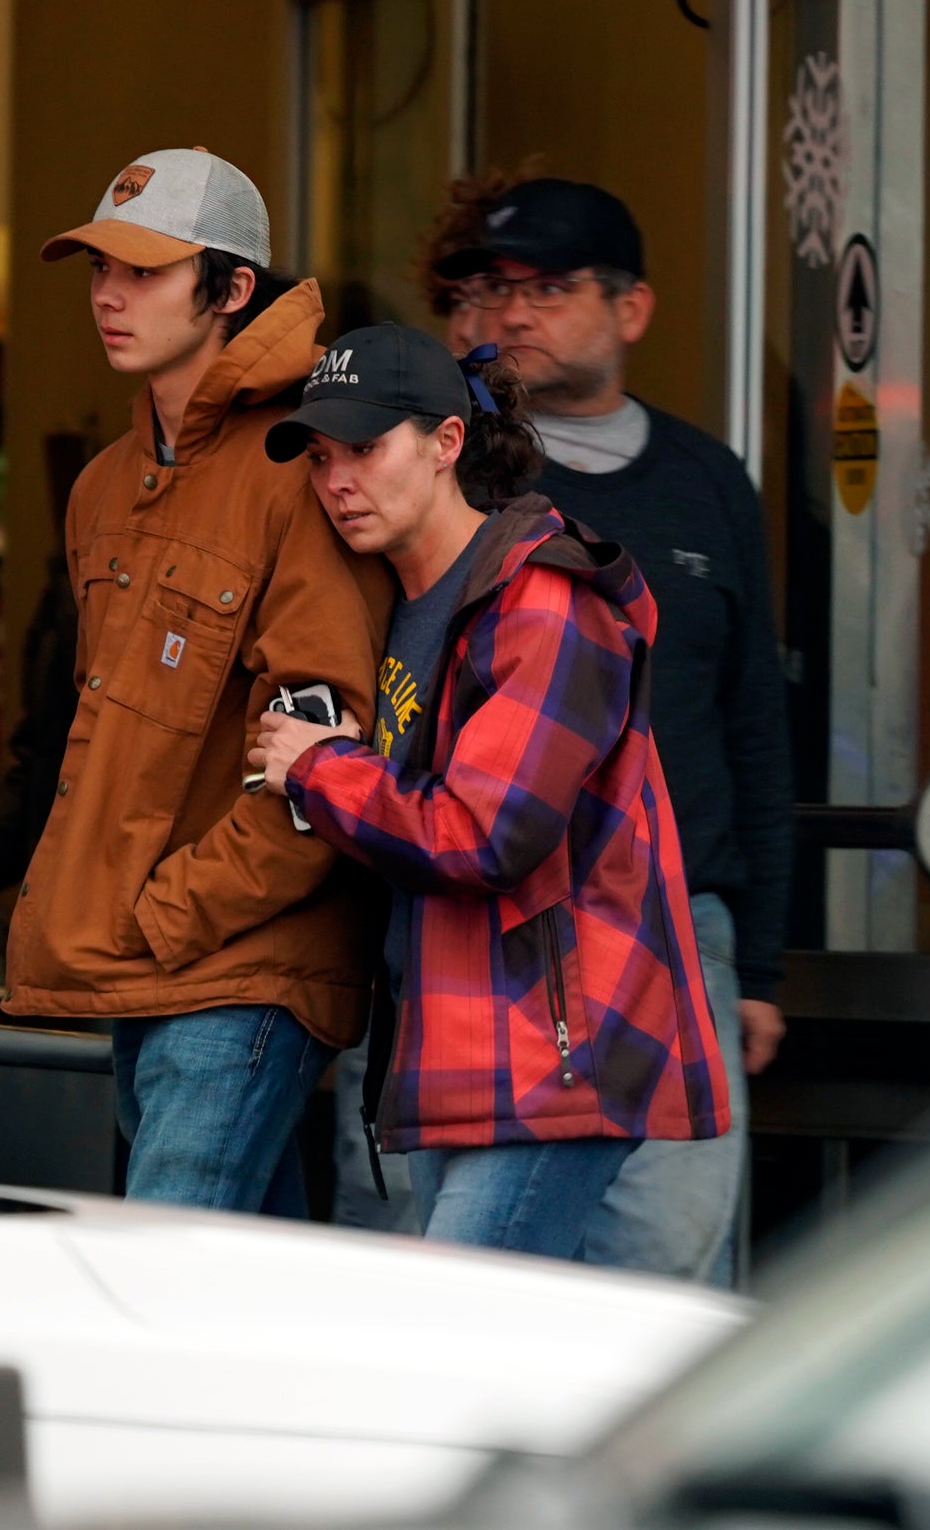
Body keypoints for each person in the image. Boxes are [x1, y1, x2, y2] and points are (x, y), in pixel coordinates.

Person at [251, 322, 728, 1260]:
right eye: (318, 457)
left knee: (450, 1348)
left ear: (446, 443)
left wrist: (317, 767)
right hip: (460, 1043)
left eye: (364, 448)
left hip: (556, 1052)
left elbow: (484, 833)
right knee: (502, 1357)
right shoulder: (399, 604)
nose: (336, 479)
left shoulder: (545, 599)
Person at [2, 148, 392, 1216]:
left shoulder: (303, 465)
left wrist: (166, 913)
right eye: (97, 270)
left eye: (144, 272)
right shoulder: (101, 488)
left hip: (241, 966)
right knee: (245, 1298)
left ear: (229, 291)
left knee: (167, 1268)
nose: (109, 296)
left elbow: (326, 756)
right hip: (149, 967)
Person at [434, 177, 793, 1284]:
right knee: (477, 1268)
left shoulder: (706, 484)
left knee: (666, 1253)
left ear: (632, 309)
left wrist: (760, 963)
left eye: (548, 286)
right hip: (493, 915)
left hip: (680, 923)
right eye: (492, 286)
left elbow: (752, 725)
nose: (514, 311)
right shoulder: (447, 470)